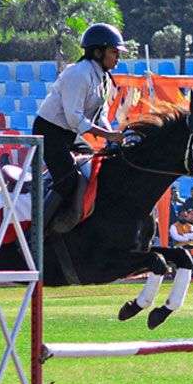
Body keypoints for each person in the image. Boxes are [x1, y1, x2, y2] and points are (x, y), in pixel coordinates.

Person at [32, 23, 125, 231]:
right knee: (68, 181)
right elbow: (75, 118)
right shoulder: (79, 74)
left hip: (68, 134)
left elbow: (100, 116)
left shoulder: (104, 79)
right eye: (114, 52)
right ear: (98, 52)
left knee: (94, 169)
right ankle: (35, 233)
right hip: (49, 131)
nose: (118, 57)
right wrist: (108, 135)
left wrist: (111, 137)